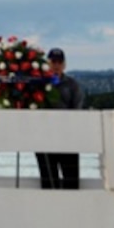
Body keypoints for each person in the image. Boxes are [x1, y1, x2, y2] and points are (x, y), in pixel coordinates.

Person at [37, 47, 85, 190]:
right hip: (44, 138)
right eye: (53, 62)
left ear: (64, 64)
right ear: (48, 63)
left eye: (59, 62)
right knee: (48, 182)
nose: (56, 65)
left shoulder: (72, 84)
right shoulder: (39, 84)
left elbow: (78, 107)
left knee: (71, 181)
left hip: (68, 139)